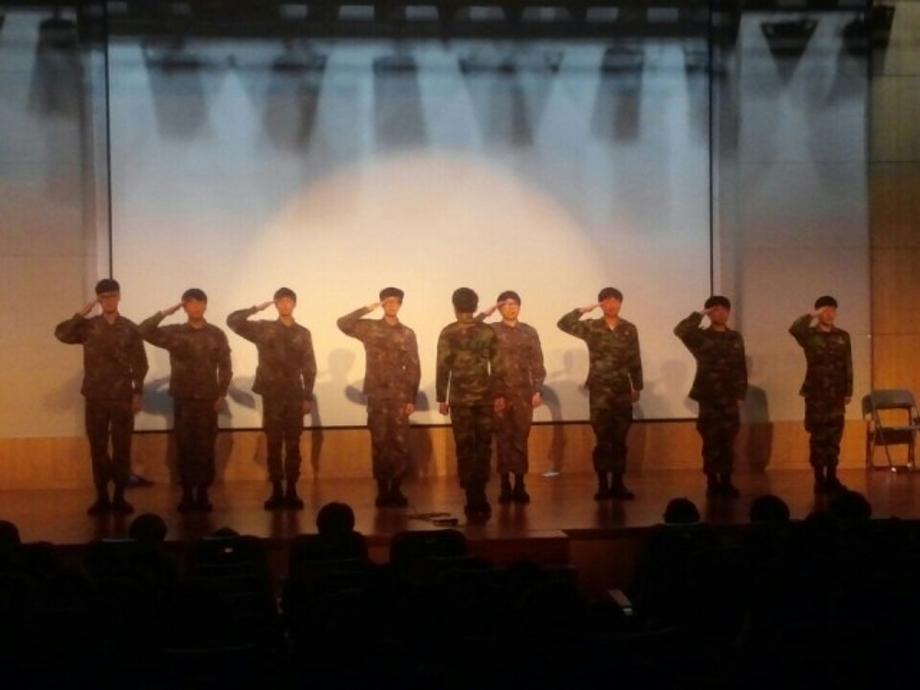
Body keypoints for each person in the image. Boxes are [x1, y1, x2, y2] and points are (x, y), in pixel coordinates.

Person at [55, 278, 148, 515]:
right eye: (104, 297)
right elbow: (61, 334)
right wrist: (81, 313)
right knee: (97, 449)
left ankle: (119, 497)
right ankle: (102, 497)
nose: (109, 301)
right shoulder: (88, 326)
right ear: (99, 299)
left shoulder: (130, 328)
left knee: (122, 448)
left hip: (122, 397)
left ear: (119, 297)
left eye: (113, 295)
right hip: (96, 397)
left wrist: (138, 393)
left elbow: (140, 363)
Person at [139, 288, 232, 512]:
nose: (196, 307)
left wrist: (222, 393)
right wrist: (166, 312)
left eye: (200, 302)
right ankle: (187, 493)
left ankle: (203, 494)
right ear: (184, 306)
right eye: (190, 303)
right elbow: (143, 330)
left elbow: (225, 366)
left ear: (205, 305)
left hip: (208, 399)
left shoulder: (216, 334)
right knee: (185, 447)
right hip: (184, 399)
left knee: (206, 447)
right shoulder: (175, 333)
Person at [227, 287, 316, 510]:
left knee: (293, 444)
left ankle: (292, 490)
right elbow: (233, 321)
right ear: (276, 304)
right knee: (274, 443)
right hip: (273, 395)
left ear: (294, 304)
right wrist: (256, 308)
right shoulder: (264, 328)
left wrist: (307, 396)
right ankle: (276, 490)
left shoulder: (302, 333)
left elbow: (309, 366)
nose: (285, 305)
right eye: (281, 301)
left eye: (289, 301)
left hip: (294, 394)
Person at [337, 287, 421, 508]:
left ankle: (397, 489)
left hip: (400, 396)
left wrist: (411, 397)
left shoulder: (407, 333)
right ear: (382, 304)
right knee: (380, 442)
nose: (392, 305)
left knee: (400, 443)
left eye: (396, 302)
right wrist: (367, 308)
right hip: (377, 395)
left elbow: (414, 366)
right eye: (387, 301)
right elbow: (343, 324)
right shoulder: (370, 328)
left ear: (400, 305)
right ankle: (383, 489)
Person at [557, 287, 642, 500]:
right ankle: (603, 485)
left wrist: (637, 385)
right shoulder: (592, 327)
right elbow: (563, 323)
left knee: (620, 440)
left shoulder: (629, 328)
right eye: (607, 301)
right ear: (601, 304)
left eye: (615, 301)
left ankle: (618, 484)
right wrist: (582, 310)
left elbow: (635, 358)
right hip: (600, 392)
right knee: (603, 439)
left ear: (620, 303)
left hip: (622, 390)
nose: (611, 305)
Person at [436, 288, 503, 517]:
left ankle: (471, 494)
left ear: (455, 306)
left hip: (459, 399)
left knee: (464, 447)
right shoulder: (487, 331)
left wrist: (441, 397)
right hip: (485, 397)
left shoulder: (448, 332)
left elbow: (442, 366)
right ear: (475, 306)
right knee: (483, 446)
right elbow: (498, 366)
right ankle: (480, 492)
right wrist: (499, 395)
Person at [476, 291, 546, 504]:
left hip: (524, 394)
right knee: (503, 440)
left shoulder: (529, 331)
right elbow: (471, 328)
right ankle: (505, 485)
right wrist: (485, 313)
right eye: (505, 304)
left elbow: (537, 362)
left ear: (519, 306)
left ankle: (520, 485)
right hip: (499, 394)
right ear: (499, 308)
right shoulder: (491, 330)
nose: (511, 307)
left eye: (514, 303)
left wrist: (537, 389)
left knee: (520, 439)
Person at [674, 296, 748, 498]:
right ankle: (712, 482)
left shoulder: (735, 337)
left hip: (730, 397)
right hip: (709, 397)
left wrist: (741, 394)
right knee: (711, 441)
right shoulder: (700, 336)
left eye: (724, 309)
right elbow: (680, 330)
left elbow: (740, 366)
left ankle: (726, 481)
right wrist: (700, 314)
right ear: (709, 313)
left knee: (728, 441)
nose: (721, 313)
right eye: (716, 309)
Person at [789, 296, 853, 495]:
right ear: (818, 312)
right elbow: (795, 328)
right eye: (825, 310)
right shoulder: (809, 335)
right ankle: (819, 479)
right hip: (816, 394)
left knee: (834, 436)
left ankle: (832, 477)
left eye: (833, 310)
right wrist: (813, 315)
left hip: (836, 394)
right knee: (818, 436)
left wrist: (848, 390)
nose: (830, 314)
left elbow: (848, 364)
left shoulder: (843, 336)